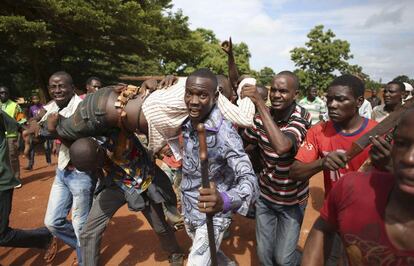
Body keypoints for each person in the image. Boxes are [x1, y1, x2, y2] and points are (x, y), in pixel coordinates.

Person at [301, 107, 414, 265]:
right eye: (401, 144)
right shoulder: (352, 187)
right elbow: (323, 228)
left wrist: (390, 168)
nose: (409, 158)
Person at [181, 68, 258, 265]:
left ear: (215, 97)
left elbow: (250, 179)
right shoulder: (188, 122)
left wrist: (224, 200)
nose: (194, 101)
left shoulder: (225, 134)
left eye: (202, 95)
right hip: (190, 208)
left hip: (214, 215)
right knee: (213, 257)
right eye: (190, 93)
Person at [71, 136, 184, 265]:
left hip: (142, 184)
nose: (96, 167)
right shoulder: (92, 150)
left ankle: (175, 252)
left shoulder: (120, 139)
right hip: (115, 185)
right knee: (89, 231)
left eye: (96, 163)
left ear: (99, 151)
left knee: (160, 227)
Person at [242, 71, 311, 265]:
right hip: (266, 196)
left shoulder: (301, 117)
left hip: (293, 200)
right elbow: (245, 140)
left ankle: (305, 258)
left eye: (283, 91)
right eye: (274, 90)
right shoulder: (259, 119)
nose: (276, 95)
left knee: (283, 260)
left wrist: (260, 105)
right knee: (265, 256)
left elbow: (282, 147)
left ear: (295, 94)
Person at [42, 71, 96, 265]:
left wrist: (51, 130)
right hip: (63, 171)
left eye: (61, 86)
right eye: (53, 87)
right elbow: (36, 126)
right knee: (52, 223)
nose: (57, 90)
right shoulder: (51, 107)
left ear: (72, 88)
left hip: (81, 174)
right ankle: (86, 248)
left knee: (80, 225)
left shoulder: (82, 108)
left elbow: (80, 144)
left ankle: (86, 260)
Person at [0, 109, 57, 263]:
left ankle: (44, 237)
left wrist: (28, 141)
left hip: (1, 182)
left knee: (2, 235)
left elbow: (21, 127)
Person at [0, 86, 26, 186]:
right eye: (1, 93)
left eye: (6, 93)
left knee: (12, 158)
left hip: (11, 136)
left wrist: (22, 135)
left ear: (9, 94)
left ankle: (16, 179)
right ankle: (4, 179)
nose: (3, 95)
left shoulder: (15, 106)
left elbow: (21, 121)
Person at [24, 95, 52, 170]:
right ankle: (30, 164)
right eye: (34, 99)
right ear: (32, 100)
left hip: (44, 129)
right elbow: (30, 118)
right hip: (35, 129)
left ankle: (49, 161)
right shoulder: (31, 108)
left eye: (37, 99)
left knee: (47, 147)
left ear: (39, 99)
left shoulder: (44, 106)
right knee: (32, 147)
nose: (35, 100)